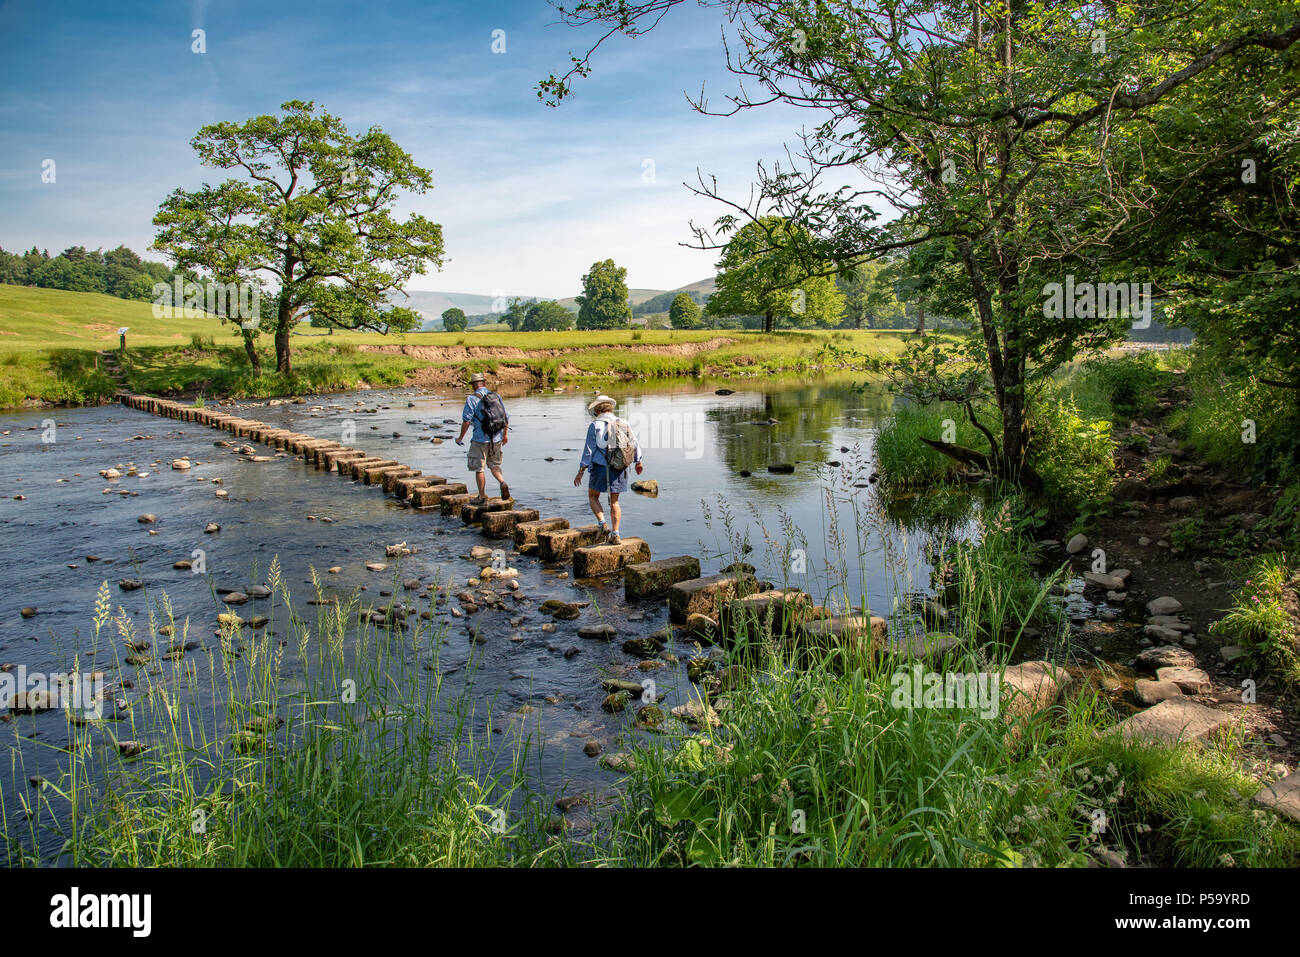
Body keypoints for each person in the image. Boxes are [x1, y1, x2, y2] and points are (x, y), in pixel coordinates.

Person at [573, 394, 643, 545]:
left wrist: (581, 471)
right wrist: (638, 462)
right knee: (614, 502)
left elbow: (589, 451)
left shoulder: (595, 426)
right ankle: (616, 534)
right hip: (619, 467)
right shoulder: (623, 423)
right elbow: (634, 443)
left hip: (600, 467)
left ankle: (602, 524)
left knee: (593, 497)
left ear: (597, 411)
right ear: (611, 409)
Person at [455, 371, 510, 504]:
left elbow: (467, 421)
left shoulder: (472, 399)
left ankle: (482, 496)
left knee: (479, 468)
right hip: (496, 437)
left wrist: (460, 437)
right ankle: (502, 482)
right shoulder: (495, 396)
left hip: (480, 439)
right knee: (494, 465)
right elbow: (505, 417)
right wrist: (505, 435)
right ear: (484, 383)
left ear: (473, 385)